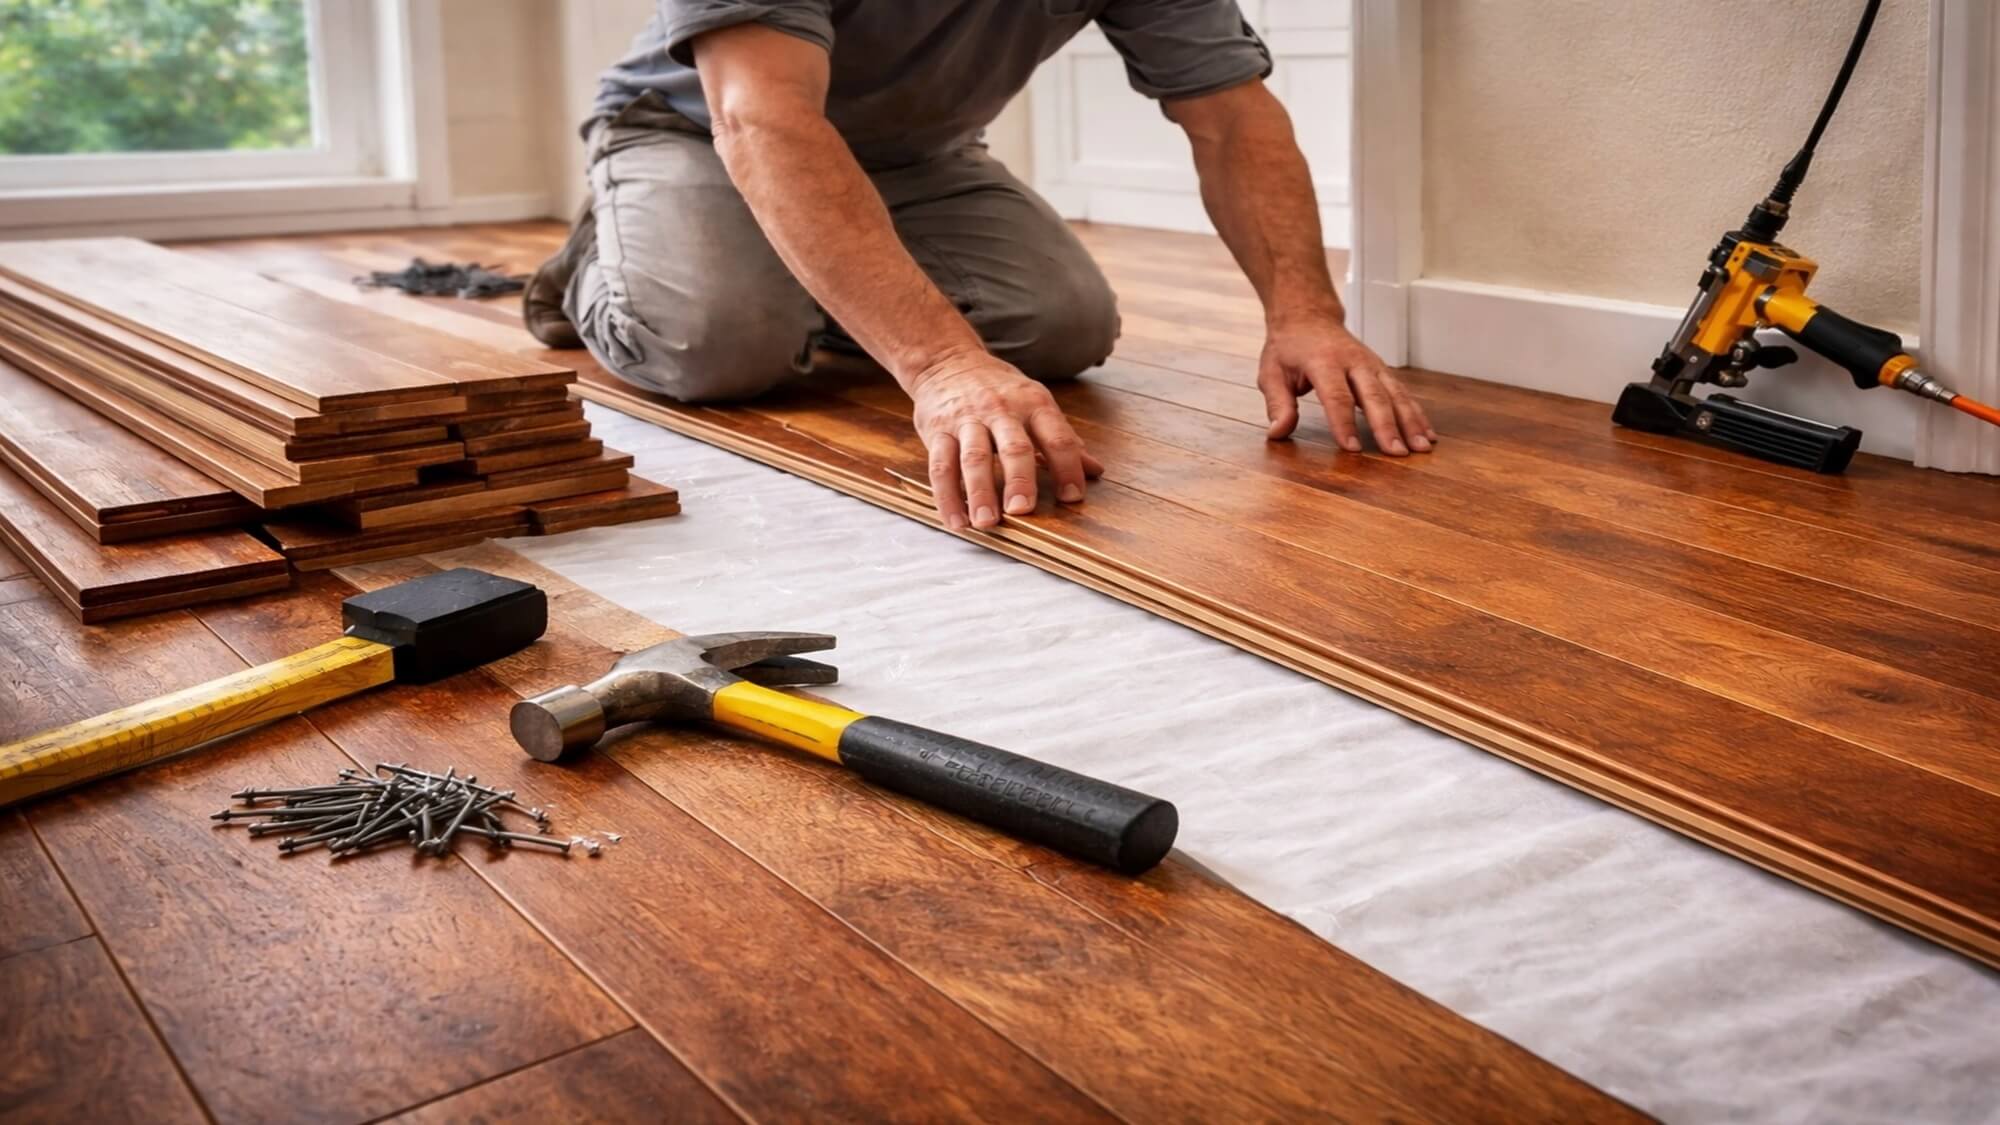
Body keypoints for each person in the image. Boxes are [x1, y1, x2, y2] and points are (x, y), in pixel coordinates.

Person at [526, 0, 1435, 531]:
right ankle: (610, 253)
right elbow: (762, 117)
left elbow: (1234, 119)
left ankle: (800, 266)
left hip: (924, 155)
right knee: (715, 340)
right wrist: (940, 364)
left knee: (1066, 322)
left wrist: (1306, 313)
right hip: (696, 134)